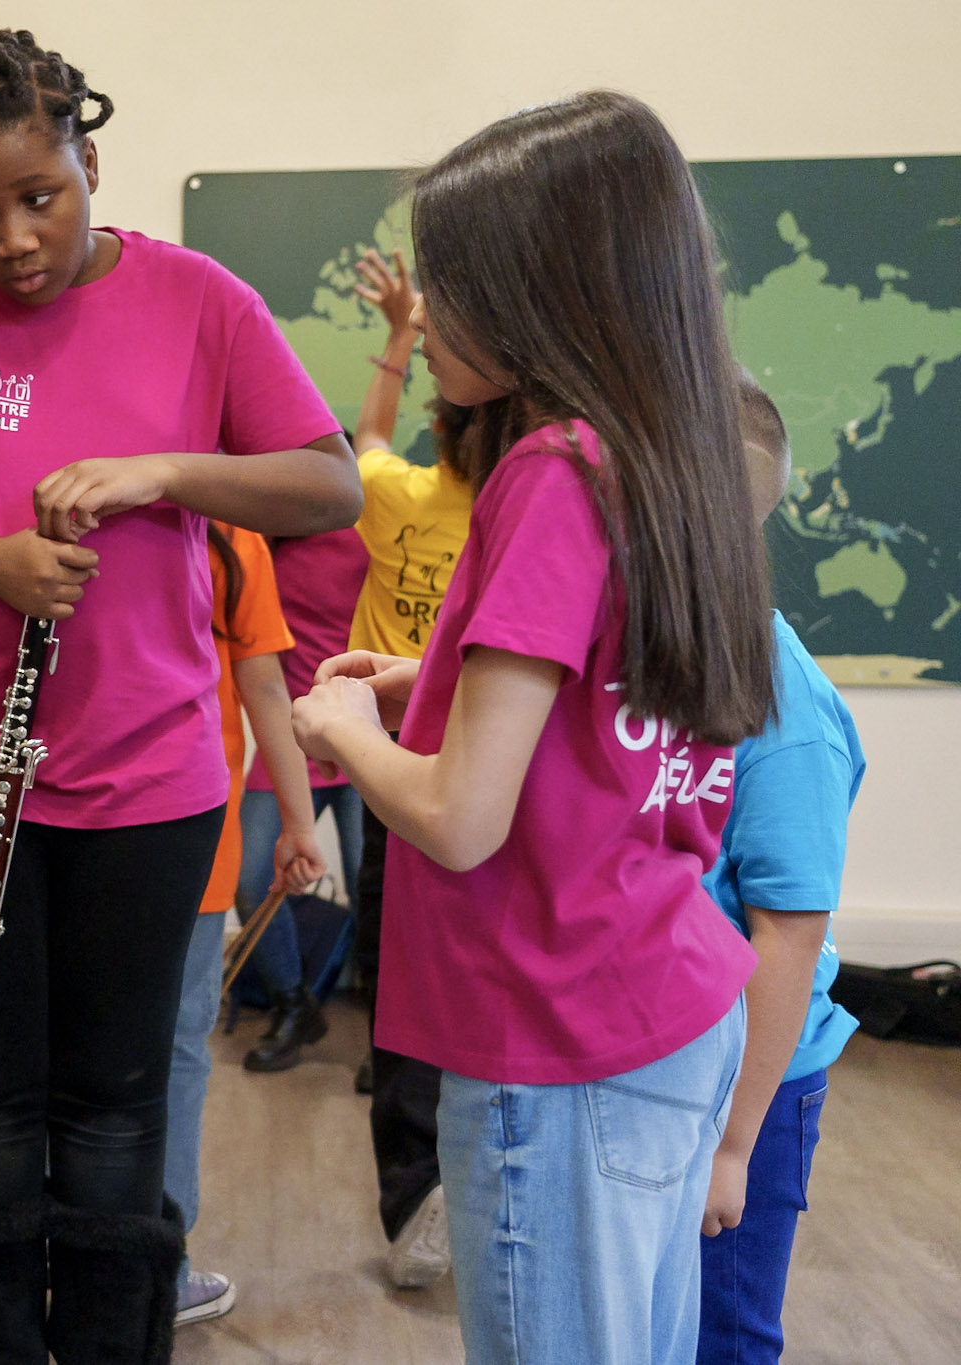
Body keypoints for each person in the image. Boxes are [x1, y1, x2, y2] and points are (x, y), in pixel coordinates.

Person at [0, 29, 359, 1361]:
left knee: (116, 1107)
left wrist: (167, 472)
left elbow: (327, 481)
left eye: (39, 196)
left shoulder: (201, 302)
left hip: (150, 777)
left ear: (90, 161)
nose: (11, 238)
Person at [290, 92, 776, 1365]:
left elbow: (457, 819)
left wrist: (342, 724)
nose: (428, 317)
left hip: (560, 1041)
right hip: (666, 996)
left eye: (450, 286)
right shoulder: (664, 453)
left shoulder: (550, 473)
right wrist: (426, 683)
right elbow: (604, 704)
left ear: (538, 291)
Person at [696, 376, 864, 1363]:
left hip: (752, 1089)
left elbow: (787, 933)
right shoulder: (685, 660)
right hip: (683, 1070)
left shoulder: (783, 707)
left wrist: (732, 1147)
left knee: (722, 1335)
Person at [335, 247, 476, 1289]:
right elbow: (369, 444)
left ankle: (441, 1192)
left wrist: (395, 335)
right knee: (405, 985)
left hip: (470, 770)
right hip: (401, 765)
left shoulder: (500, 510)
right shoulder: (403, 492)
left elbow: (368, 435)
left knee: (419, 984)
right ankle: (422, 1198)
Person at [166, 523, 324, 1327]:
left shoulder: (72, 496)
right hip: (187, 831)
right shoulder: (230, 534)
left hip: (65, 831)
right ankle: (160, 1269)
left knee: (71, 1044)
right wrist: (299, 822)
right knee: (175, 1051)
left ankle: (65, 1253)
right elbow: (263, 683)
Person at [236, 527, 368, 1074]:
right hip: (293, 732)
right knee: (250, 879)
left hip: (369, 731)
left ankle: (391, 1046)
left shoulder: (377, 522)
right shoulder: (262, 537)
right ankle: (295, 1006)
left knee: (376, 890)